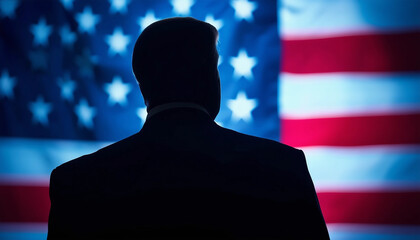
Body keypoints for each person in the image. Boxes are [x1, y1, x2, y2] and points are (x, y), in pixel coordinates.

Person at [48, 17, 329, 239]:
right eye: (216, 66)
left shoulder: (77, 182)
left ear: (142, 82)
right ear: (209, 75)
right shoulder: (281, 167)